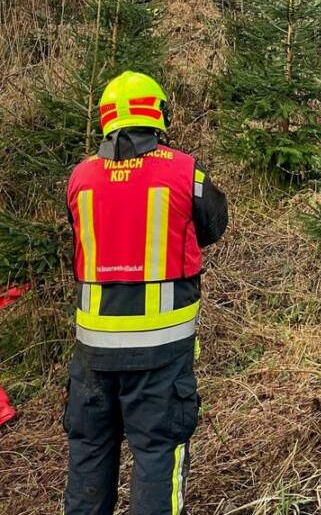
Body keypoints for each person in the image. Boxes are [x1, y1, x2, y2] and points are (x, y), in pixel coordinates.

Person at [64, 70, 228, 515]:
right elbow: (213, 225)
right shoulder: (185, 171)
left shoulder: (80, 178)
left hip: (92, 354)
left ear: (107, 118)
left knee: (88, 455)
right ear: (158, 115)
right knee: (158, 454)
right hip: (161, 352)